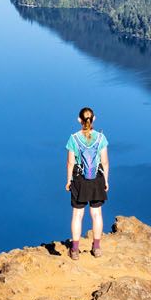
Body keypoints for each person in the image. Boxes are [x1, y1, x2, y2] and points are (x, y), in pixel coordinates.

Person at [65, 106, 109, 259]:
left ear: (79, 120)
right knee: (96, 214)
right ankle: (96, 248)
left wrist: (68, 180)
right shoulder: (101, 138)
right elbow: (105, 162)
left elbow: (70, 163)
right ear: (94, 119)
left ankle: (75, 250)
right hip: (96, 179)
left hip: (79, 180)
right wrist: (106, 181)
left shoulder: (74, 139)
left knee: (77, 215)